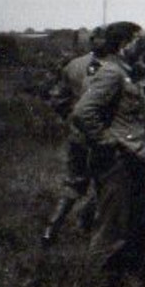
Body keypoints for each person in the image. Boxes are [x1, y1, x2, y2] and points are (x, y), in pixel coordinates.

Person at [68, 21, 145, 282]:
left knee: (138, 220)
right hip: (119, 161)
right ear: (123, 44)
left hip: (134, 157)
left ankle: (131, 280)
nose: (141, 45)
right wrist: (106, 141)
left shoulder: (126, 72)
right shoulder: (112, 73)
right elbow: (83, 112)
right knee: (113, 226)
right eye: (137, 41)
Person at [40, 27, 105, 245]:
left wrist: (72, 120)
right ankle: (87, 221)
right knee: (106, 181)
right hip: (103, 135)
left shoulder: (73, 66)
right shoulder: (113, 69)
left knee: (74, 184)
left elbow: (58, 99)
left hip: (78, 135)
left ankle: (51, 229)